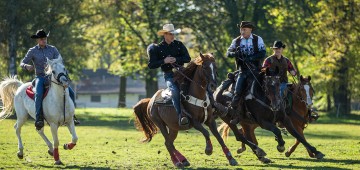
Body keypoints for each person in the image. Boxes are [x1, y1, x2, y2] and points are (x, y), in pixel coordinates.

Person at [20, 29, 80, 130]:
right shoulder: (32, 51)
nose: (44, 40)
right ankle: (39, 118)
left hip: (54, 77)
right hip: (40, 77)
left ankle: (72, 116)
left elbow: (60, 61)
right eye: (42, 39)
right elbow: (22, 63)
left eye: (45, 38)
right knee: (38, 94)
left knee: (71, 93)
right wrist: (26, 66)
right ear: (38, 40)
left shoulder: (53, 49)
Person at [148, 24, 191, 126]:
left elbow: (187, 58)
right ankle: (180, 115)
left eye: (173, 34)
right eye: (171, 34)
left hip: (182, 73)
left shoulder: (179, 45)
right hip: (169, 75)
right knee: (175, 90)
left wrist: (177, 59)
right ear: (165, 35)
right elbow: (151, 65)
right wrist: (164, 61)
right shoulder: (157, 48)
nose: (173, 36)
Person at [226, 21, 266, 124]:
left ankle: (274, 110)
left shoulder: (258, 39)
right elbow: (228, 53)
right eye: (241, 29)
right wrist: (235, 53)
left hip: (256, 70)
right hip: (243, 71)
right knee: (238, 90)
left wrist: (251, 58)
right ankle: (234, 113)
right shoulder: (236, 41)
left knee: (269, 86)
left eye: (244, 29)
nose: (242, 31)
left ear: (250, 30)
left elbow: (263, 52)